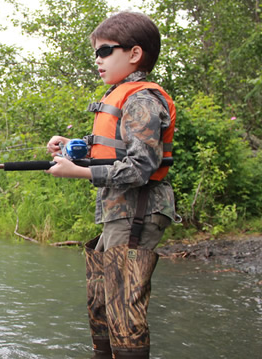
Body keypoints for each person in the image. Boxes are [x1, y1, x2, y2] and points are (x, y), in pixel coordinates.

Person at [45, 11, 176, 359]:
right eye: (96, 53)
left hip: (138, 212)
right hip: (119, 212)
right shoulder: (122, 96)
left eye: (105, 52)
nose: (97, 60)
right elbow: (115, 149)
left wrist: (81, 173)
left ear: (134, 54)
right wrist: (74, 146)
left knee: (124, 305)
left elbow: (141, 167)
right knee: (101, 298)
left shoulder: (142, 100)